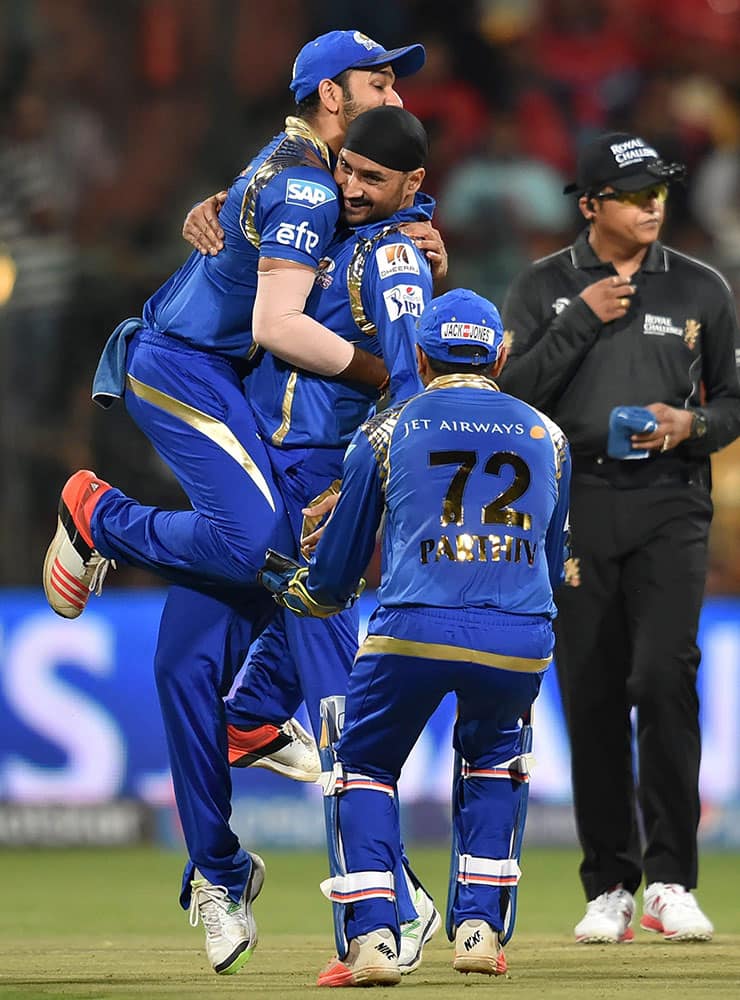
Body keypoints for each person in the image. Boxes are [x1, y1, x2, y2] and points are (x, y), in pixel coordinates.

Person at [42, 29, 430, 977]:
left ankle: (300, 875)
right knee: (255, 563)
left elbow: (326, 250)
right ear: (331, 97)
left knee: (213, 666)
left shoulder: (351, 208)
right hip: (196, 383)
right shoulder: (305, 187)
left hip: (282, 447)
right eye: (376, 78)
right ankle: (244, 875)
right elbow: (274, 317)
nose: (389, 88)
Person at [262, 288, 571, 985]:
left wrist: (305, 591)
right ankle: (480, 931)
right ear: (499, 355)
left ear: (423, 358)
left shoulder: (386, 431)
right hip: (517, 635)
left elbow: (339, 569)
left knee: (362, 766)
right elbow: (553, 563)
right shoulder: (548, 436)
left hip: (412, 629)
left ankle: (372, 940)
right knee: (494, 762)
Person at [499, 131, 740, 944]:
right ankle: (610, 884)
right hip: (576, 502)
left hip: (672, 500)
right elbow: (509, 394)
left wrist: (692, 423)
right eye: (636, 195)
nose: (654, 206)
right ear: (592, 204)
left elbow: (736, 403)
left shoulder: (703, 288)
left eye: (661, 192)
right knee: (593, 689)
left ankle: (672, 878)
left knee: (660, 675)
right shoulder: (543, 288)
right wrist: (580, 321)